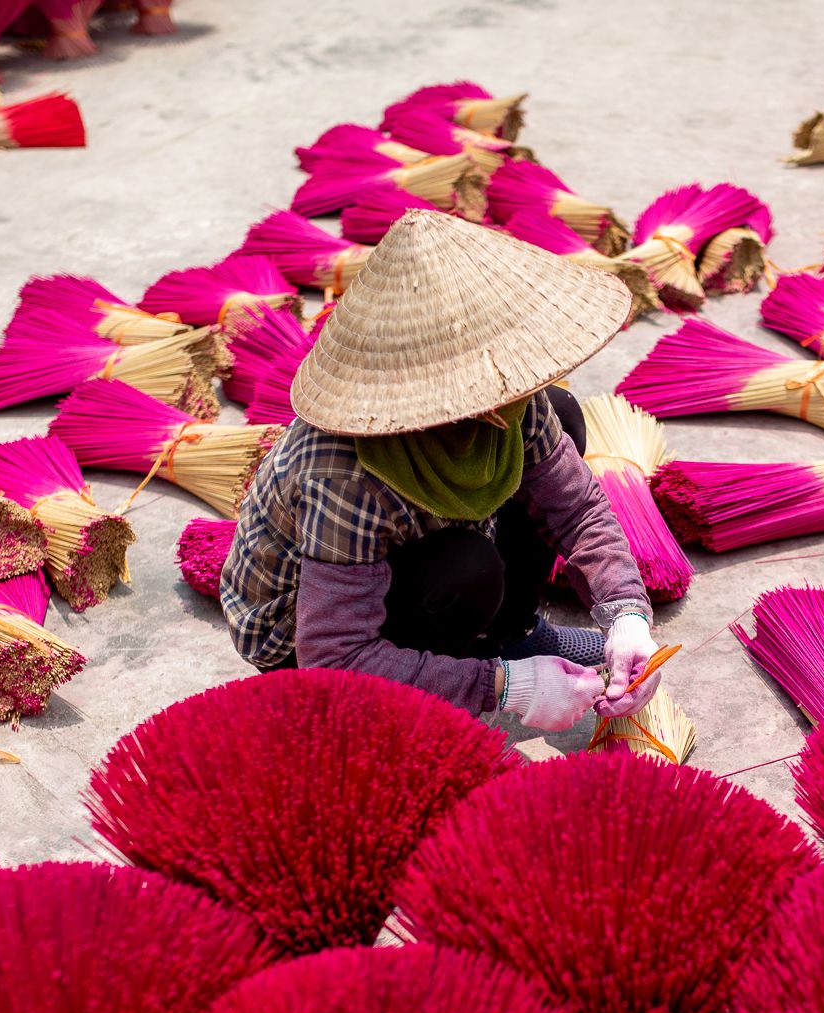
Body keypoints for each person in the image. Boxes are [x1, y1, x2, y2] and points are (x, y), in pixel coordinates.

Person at [220, 209, 661, 731]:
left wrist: (626, 614)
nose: (516, 392)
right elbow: (335, 658)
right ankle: (437, 692)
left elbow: (578, 508)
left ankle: (509, 633)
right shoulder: (346, 474)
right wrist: (503, 686)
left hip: (399, 572)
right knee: (466, 569)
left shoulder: (506, 395)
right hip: (305, 642)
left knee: (561, 411)